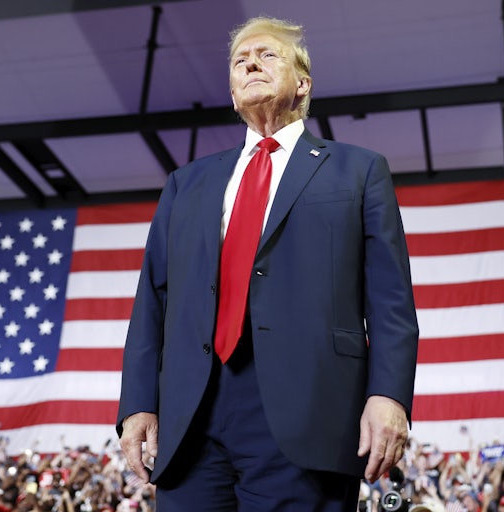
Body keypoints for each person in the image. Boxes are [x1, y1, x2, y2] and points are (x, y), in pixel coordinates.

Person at [116, 15, 419, 512]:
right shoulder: (185, 183)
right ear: (234, 94)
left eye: (267, 54)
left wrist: (389, 396)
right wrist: (137, 403)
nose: (251, 61)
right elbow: (153, 300)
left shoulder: (359, 170)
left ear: (303, 84)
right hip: (191, 413)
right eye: (240, 60)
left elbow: (389, 300)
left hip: (308, 409)